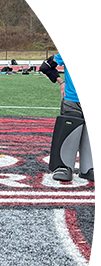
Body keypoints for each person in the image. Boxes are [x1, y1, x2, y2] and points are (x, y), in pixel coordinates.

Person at [40, 24, 97, 182]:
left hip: (93, 102)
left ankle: (89, 168)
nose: (93, 39)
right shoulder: (69, 52)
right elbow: (45, 67)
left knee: (92, 135)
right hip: (72, 101)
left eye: (95, 36)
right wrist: (60, 81)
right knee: (69, 134)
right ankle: (64, 167)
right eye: (89, 35)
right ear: (81, 36)